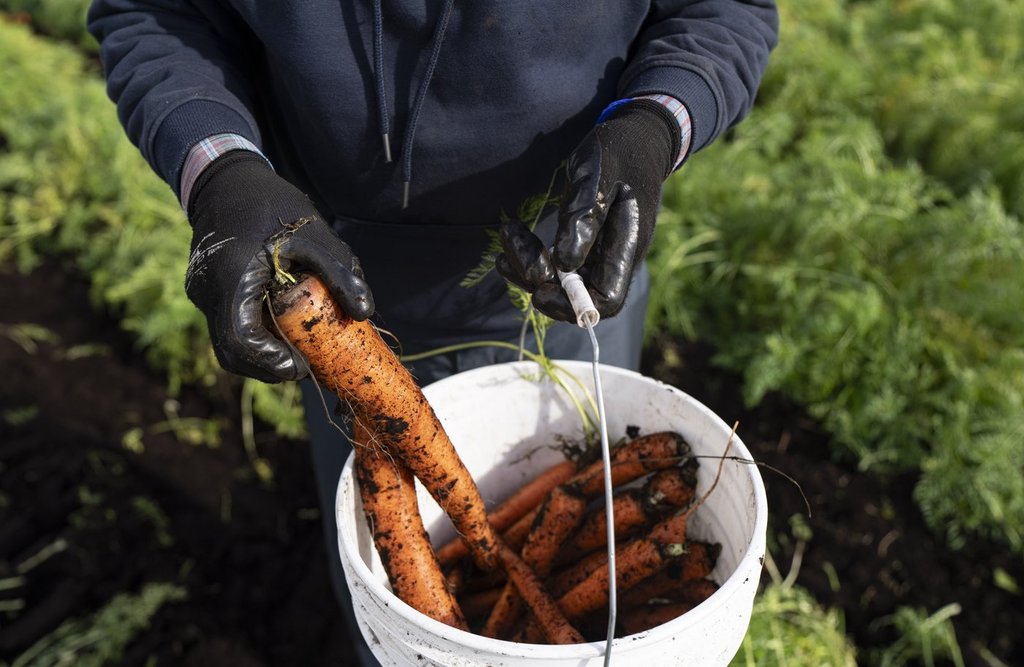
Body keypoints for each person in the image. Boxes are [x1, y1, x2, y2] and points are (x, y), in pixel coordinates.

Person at [88, 1, 778, 662]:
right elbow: (154, 10)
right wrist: (221, 169)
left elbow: (724, 8)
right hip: (340, 310)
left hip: (573, 281)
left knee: (570, 507)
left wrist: (656, 120)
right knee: (397, 604)